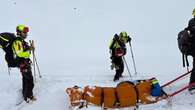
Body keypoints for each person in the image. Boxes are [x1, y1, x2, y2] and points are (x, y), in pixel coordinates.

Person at [0, 25, 36, 102]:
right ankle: (28, 97)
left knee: (26, 80)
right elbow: (19, 53)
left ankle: (26, 95)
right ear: (19, 32)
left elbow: (24, 49)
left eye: (26, 32)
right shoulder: (17, 41)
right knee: (29, 81)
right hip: (22, 63)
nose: (26, 34)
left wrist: (30, 48)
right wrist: (28, 53)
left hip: (24, 63)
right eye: (24, 32)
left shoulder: (21, 41)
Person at [185, 8, 195, 92]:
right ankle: (192, 84)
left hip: (191, 48)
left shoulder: (191, 21)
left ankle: (192, 83)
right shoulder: (193, 22)